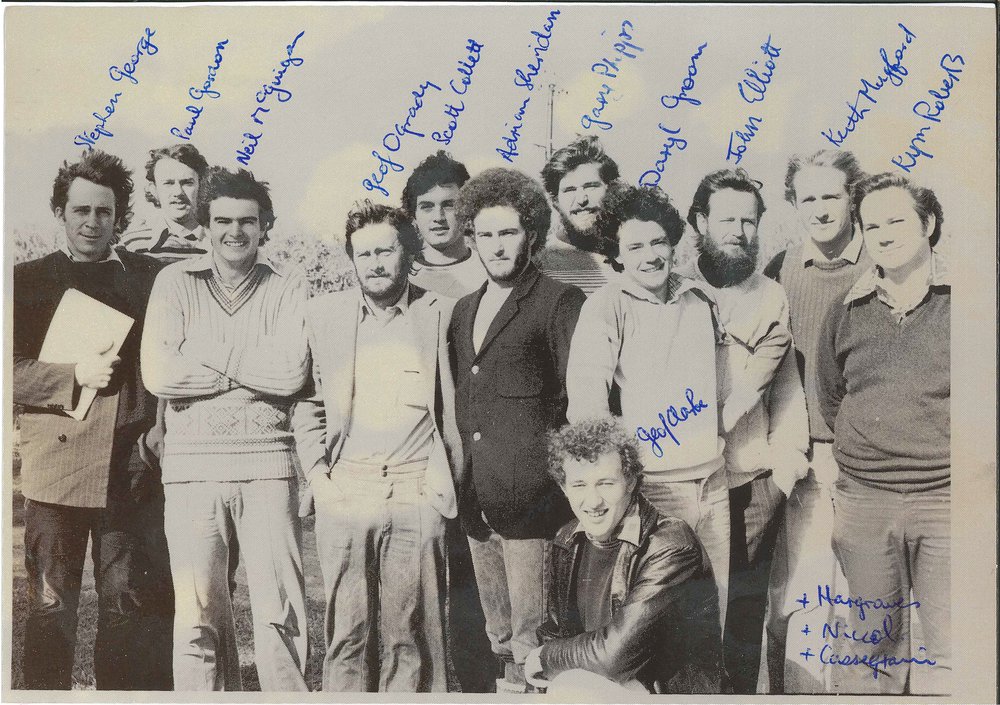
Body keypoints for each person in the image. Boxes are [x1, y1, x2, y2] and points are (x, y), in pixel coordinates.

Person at [141, 167, 310, 692]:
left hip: (268, 467)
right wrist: (251, 367)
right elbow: (159, 374)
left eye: (247, 221)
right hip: (191, 471)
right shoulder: (174, 282)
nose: (235, 231)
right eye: (223, 221)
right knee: (196, 616)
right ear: (205, 225)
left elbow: (291, 374)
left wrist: (202, 351)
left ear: (265, 226)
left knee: (279, 613)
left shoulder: (288, 284)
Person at [13, 150, 172, 690]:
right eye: (81, 210)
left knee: (128, 608)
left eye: (104, 211)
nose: (92, 222)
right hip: (55, 471)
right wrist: (73, 373)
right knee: (50, 607)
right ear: (60, 211)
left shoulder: (149, 278)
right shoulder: (26, 280)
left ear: (119, 215)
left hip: (130, 469)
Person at [292, 201, 462, 692]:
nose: (375, 263)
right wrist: (320, 477)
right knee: (348, 632)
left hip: (415, 487)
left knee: (410, 634)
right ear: (352, 258)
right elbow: (307, 403)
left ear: (406, 252)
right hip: (348, 487)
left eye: (386, 251)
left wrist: (442, 478)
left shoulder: (442, 313)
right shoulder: (323, 315)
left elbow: (456, 405)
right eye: (364, 254)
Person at [566, 185, 731, 633]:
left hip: (713, 484)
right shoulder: (606, 306)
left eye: (658, 242)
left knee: (712, 616)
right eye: (635, 246)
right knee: (658, 626)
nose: (650, 255)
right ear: (617, 254)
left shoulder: (701, 300)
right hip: (655, 489)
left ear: (673, 243)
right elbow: (587, 407)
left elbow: (722, 388)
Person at [448, 167, 586, 692]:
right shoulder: (463, 310)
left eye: (508, 231)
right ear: (471, 238)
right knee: (500, 639)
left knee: (537, 644)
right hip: (478, 505)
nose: (498, 245)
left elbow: (578, 406)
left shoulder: (559, 301)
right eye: (485, 234)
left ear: (531, 232)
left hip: (535, 509)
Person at [817, 172, 950, 695]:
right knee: (872, 651)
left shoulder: (970, 300)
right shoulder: (845, 309)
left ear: (928, 223)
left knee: (957, 644)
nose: (884, 235)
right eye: (871, 227)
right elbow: (831, 395)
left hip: (948, 501)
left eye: (896, 221)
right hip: (865, 502)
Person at [682, 168, 809, 692]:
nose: (738, 231)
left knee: (743, 615)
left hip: (753, 485)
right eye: (727, 219)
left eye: (749, 221)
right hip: (687, 483)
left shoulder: (770, 295)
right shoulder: (672, 287)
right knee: (689, 610)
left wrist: (782, 470)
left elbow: (786, 387)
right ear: (700, 222)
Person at [759, 149, 871, 693]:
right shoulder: (779, 268)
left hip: (856, 459)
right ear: (793, 204)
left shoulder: (879, 261)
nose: (821, 209)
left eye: (832, 195)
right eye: (808, 198)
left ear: (853, 198)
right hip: (789, 456)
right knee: (786, 598)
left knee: (839, 600)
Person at [525, 418, 722, 695]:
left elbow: (614, 657)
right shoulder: (567, 539)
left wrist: (545, 658)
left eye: (605, 483)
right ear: (564, 487)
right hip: (598, 686)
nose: (593, 501)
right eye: (579, 485)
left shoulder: (670, 545)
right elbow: (555, 634)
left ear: (630, 481)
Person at [537, 135, 620, 294]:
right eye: (570, 190)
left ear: (611, 191)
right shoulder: (538, 262)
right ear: (555, 201)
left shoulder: (634, 252)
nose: (581, 200)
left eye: (591, 186)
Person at [402, 150, 487, 299]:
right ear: (413, 215)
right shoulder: (399, 276)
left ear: (467, 209)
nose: (438, 217)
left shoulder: (490, 272)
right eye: (427, 207)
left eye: (449, 205)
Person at [120, 143, 210, 262]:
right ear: (154, 190)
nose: (178, 192)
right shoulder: (132, 243)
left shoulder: (218, 242)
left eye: (187, 183)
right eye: (168, 183)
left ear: (202, 186)